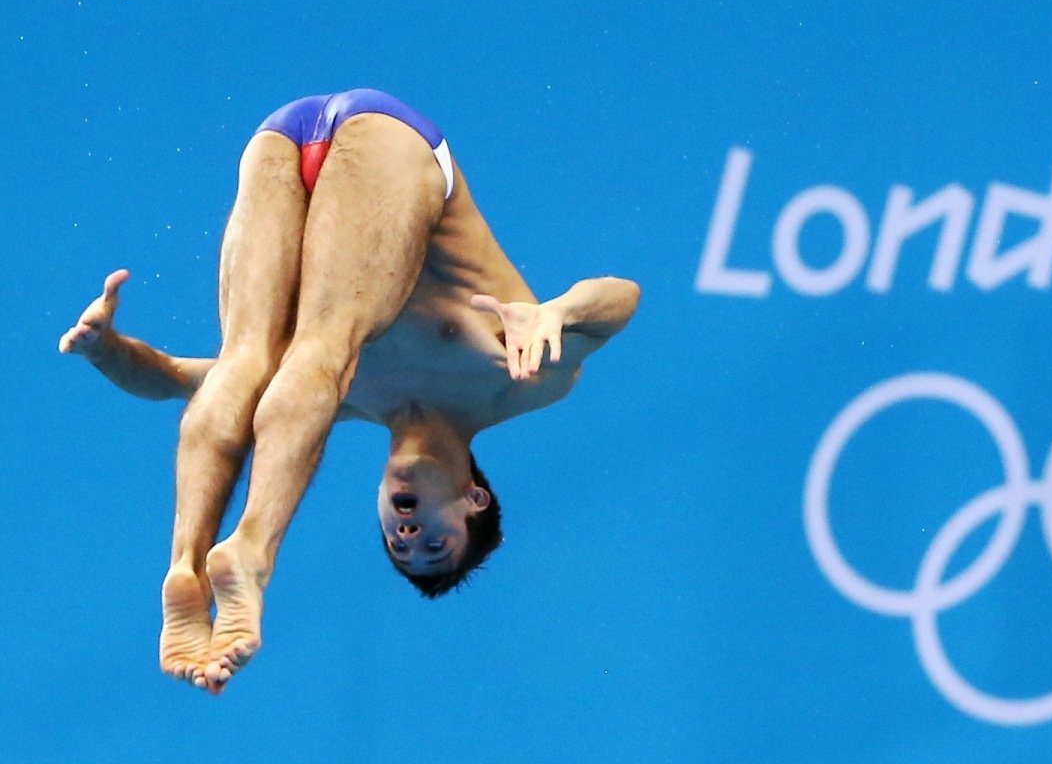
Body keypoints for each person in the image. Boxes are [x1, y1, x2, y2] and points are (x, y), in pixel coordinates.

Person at [59, 89, 641, 693]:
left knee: (246, 361)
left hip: (281, 136)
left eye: (397, 543)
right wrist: (557, 311)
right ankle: (251, 551)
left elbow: (177, 378)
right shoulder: (515, 383)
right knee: (323, 346)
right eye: (435, 544)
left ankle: (185, 567)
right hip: (391, 140)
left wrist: (106, 349)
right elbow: (623, 300)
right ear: (474, 500)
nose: (408, 534)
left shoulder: (338, 402)